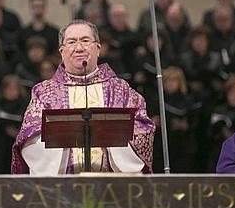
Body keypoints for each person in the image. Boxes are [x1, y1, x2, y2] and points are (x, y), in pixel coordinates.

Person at [11, 20, 155, 174]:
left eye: (85, 41)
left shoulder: (121, 90)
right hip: (61, 186)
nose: (79, 48)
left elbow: (142, 129)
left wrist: (109, 141)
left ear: (98, 49)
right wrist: (66, 150)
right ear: (62, 52)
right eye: (72, 42)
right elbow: (29, 137)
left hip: (111, 183)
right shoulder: (44, 92)